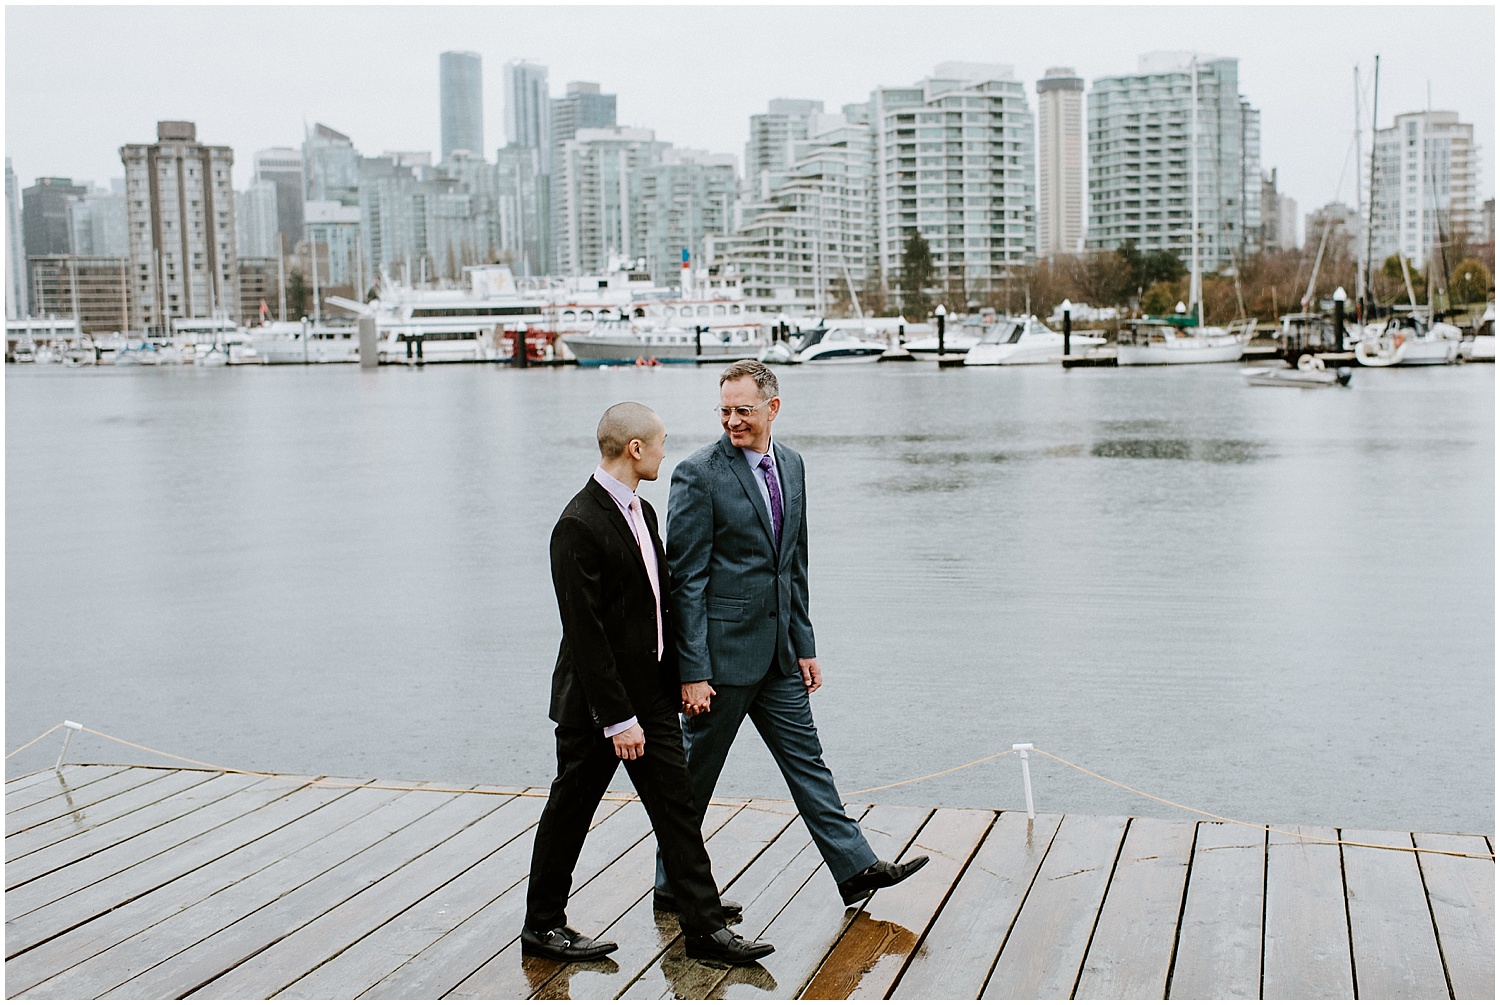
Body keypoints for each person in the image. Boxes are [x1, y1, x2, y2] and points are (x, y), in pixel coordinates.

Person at [653, 361, 928, 910]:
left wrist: (805, 644)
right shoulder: (697, 474)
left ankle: (855, 868)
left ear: (772, 408)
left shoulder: (795, 465)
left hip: (779, 655)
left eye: (743, 410)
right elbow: (685, 583)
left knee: (809, 763)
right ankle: (674, 885)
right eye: (725, 411)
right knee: (692, 780)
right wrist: (693, 671)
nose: (733, 421)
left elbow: (793, 564)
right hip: (721, 663)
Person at [523, 401, 773, 966]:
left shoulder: (644, 513)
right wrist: (618, 719)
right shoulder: (577, 525)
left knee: (678, 810)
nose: (666, 450)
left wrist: (686, 678)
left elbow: (659, 609)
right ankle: (542, 927)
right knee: (570, 811)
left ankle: (705, 930)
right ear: (635, 449)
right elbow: (586, 637)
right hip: (596, 709)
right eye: (660, 441)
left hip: (653, 698)